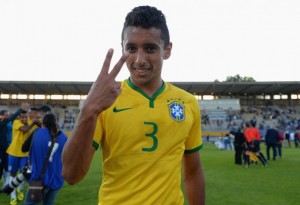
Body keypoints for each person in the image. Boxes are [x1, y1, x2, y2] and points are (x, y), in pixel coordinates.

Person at [62, 5, 205, 205]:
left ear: (167, 50)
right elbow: (71, 174)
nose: (139, 60)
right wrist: (89, 110)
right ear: (123, 49)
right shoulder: (106, 101)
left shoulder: (187, 103)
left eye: (150, 48)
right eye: (131, 48)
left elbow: (193, 172)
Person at [23, 113, 68, 205]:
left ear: (43, 123)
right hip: (57, 178)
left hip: (39, 178)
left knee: (30, 203)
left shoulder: (37, 133)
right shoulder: (64, 137)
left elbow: (24, 148)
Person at [6, 110, 40, 205]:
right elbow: (24, 129)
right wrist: (33, 123)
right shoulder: (16, 122)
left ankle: (20, 189)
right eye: (22, 117)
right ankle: (13, 197)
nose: (24, 119)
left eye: (25, 117)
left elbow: (41, 125)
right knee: (12, 174)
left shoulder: (30, 122)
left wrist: (38, 119)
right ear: (19, 118)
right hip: (13, 153)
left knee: (26, 174)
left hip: (25, 154)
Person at [0, 103, 30, 189]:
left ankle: (6, 185)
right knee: (0, 169)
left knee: (7, 169)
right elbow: (10, 119)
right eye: (6, 115)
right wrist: (20, 110)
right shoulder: (2, 122)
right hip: (1, 149)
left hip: (9, 149)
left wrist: (24, 114)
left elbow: (17, 119)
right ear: (1, 116)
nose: (8, 116)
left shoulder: (11, 122)